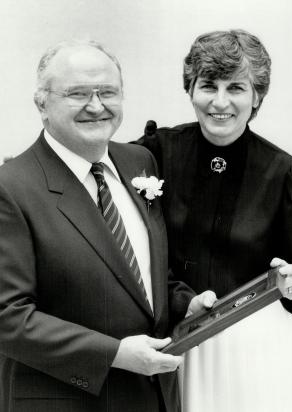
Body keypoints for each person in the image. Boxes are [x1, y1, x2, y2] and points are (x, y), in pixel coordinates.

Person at [0, 39, 216, 412]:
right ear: (42, 103)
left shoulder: (139, 162)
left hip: (155, 396)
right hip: (69, 399)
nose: (96, 106)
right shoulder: (10, 188)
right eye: (78, 93)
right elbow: (8, 317)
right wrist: (114, 354)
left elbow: (142, 274)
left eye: (107, 92)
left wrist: (185, 303)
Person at [136, 29, 292, 411]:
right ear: (190, 89)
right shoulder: (153, 152)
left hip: (243, 351)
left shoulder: (284, 171)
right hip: (163, 341)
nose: (220, 102)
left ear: (257, 96)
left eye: (236, 88)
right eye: (208, 85)